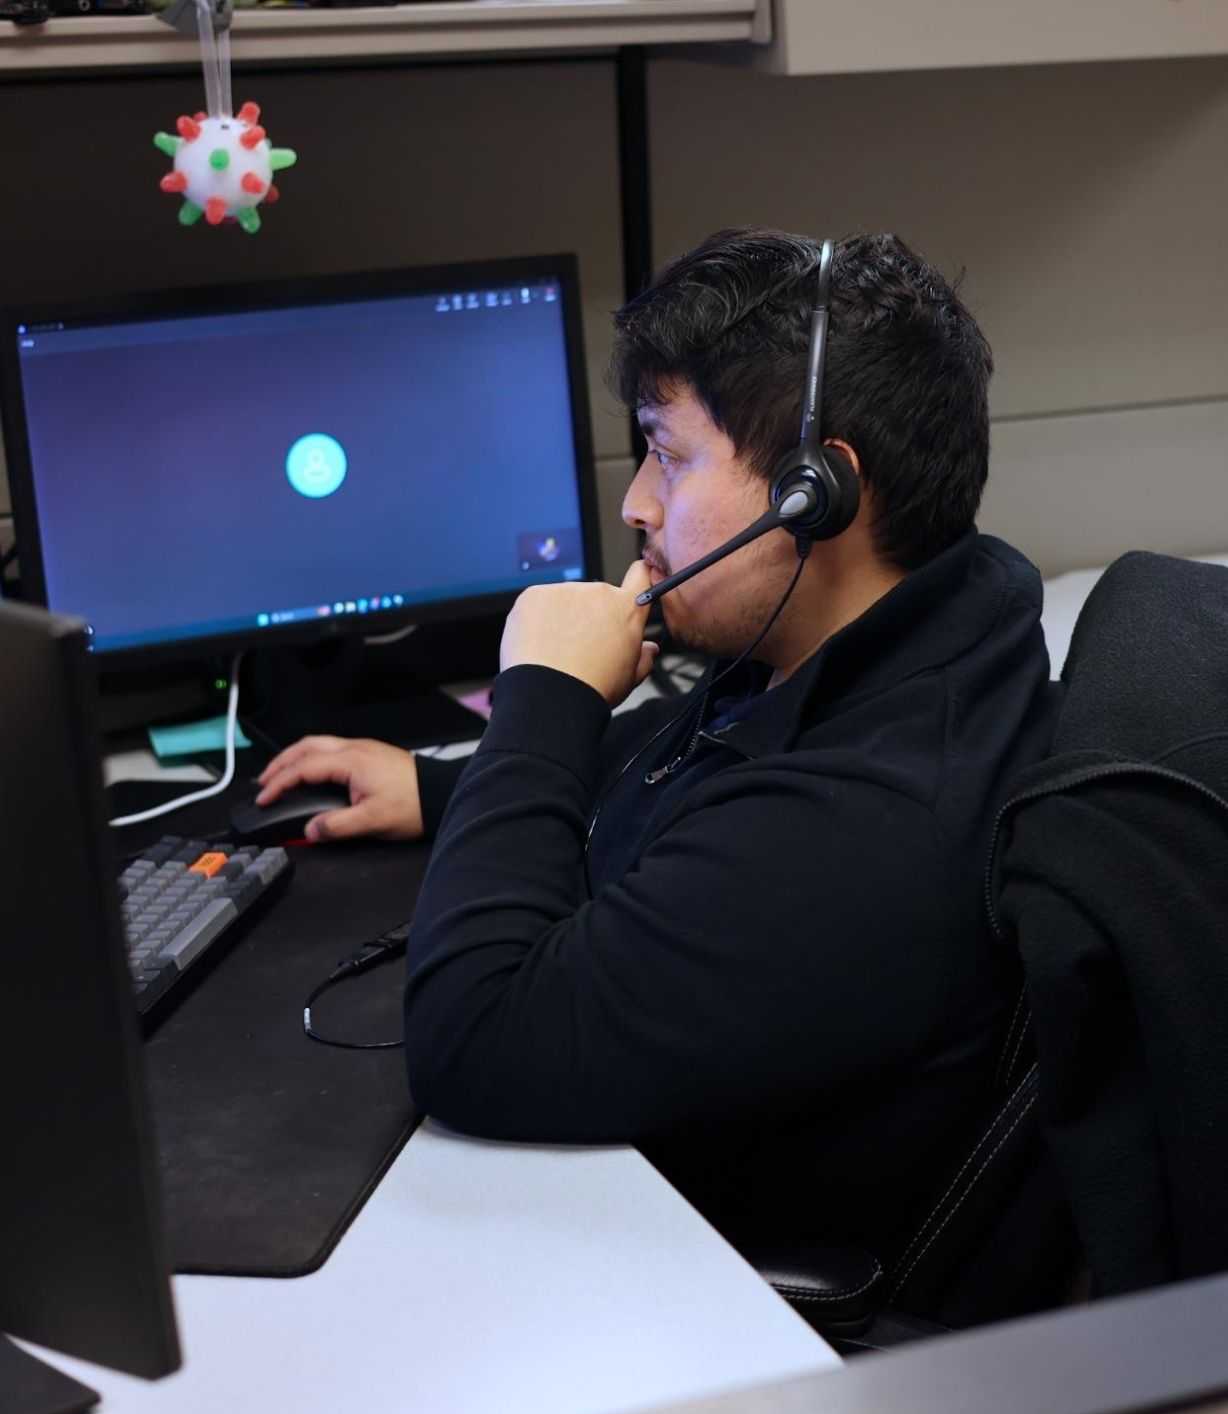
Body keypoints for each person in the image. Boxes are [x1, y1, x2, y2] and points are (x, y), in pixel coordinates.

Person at [255, 229, 1059, 1260]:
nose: (635, 502)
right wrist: (446, 785)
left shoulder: (863, 822)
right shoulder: (887, 639)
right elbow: (676, 755)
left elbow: (472, 1043)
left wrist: (539, 700)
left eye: (668, 456)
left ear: (819, 491)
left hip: (687, 1283)